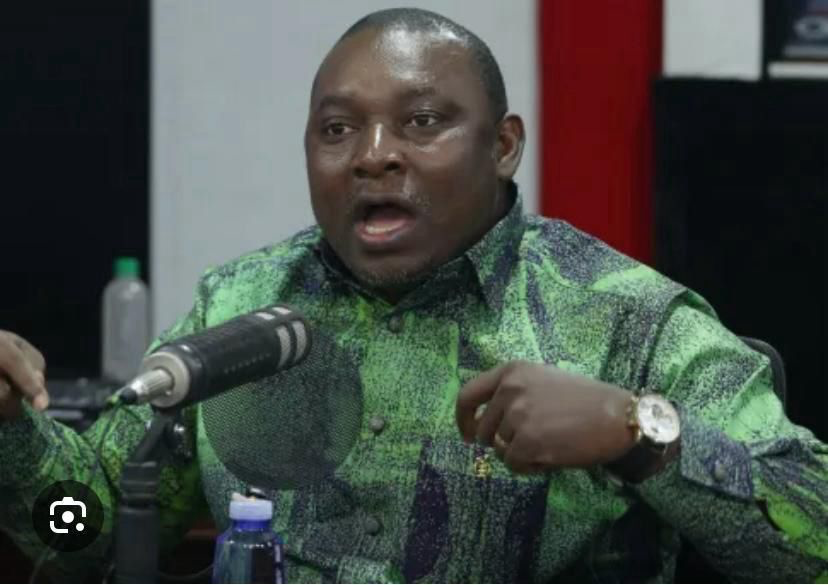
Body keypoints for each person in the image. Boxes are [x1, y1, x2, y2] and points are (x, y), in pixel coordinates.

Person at [1, 8, 826, 583]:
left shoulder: (626, 316)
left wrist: (632, 431)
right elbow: (80, 529)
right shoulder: (241, 307)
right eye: (337, 129)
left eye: (422, 122)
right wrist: (10, 428)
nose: (373, 154)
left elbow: (815, 534)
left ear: (503, 146)